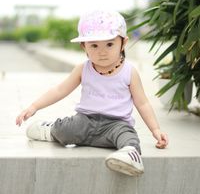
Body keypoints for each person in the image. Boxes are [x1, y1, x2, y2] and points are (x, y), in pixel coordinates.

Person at [16, 10, 168, 176]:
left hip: (116, 124)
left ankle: (129, 155)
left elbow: (142, 103)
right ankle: (51, 130)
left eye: (109, 44)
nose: (102, 52)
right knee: (67, 130)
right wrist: (34, 106)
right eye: (94, 45)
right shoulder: (83, 69)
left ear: (123, 43)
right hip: (86, 121)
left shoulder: (129, 72)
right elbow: (60, 90)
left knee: (129, 137)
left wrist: (155, 129)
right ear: (84, 46)